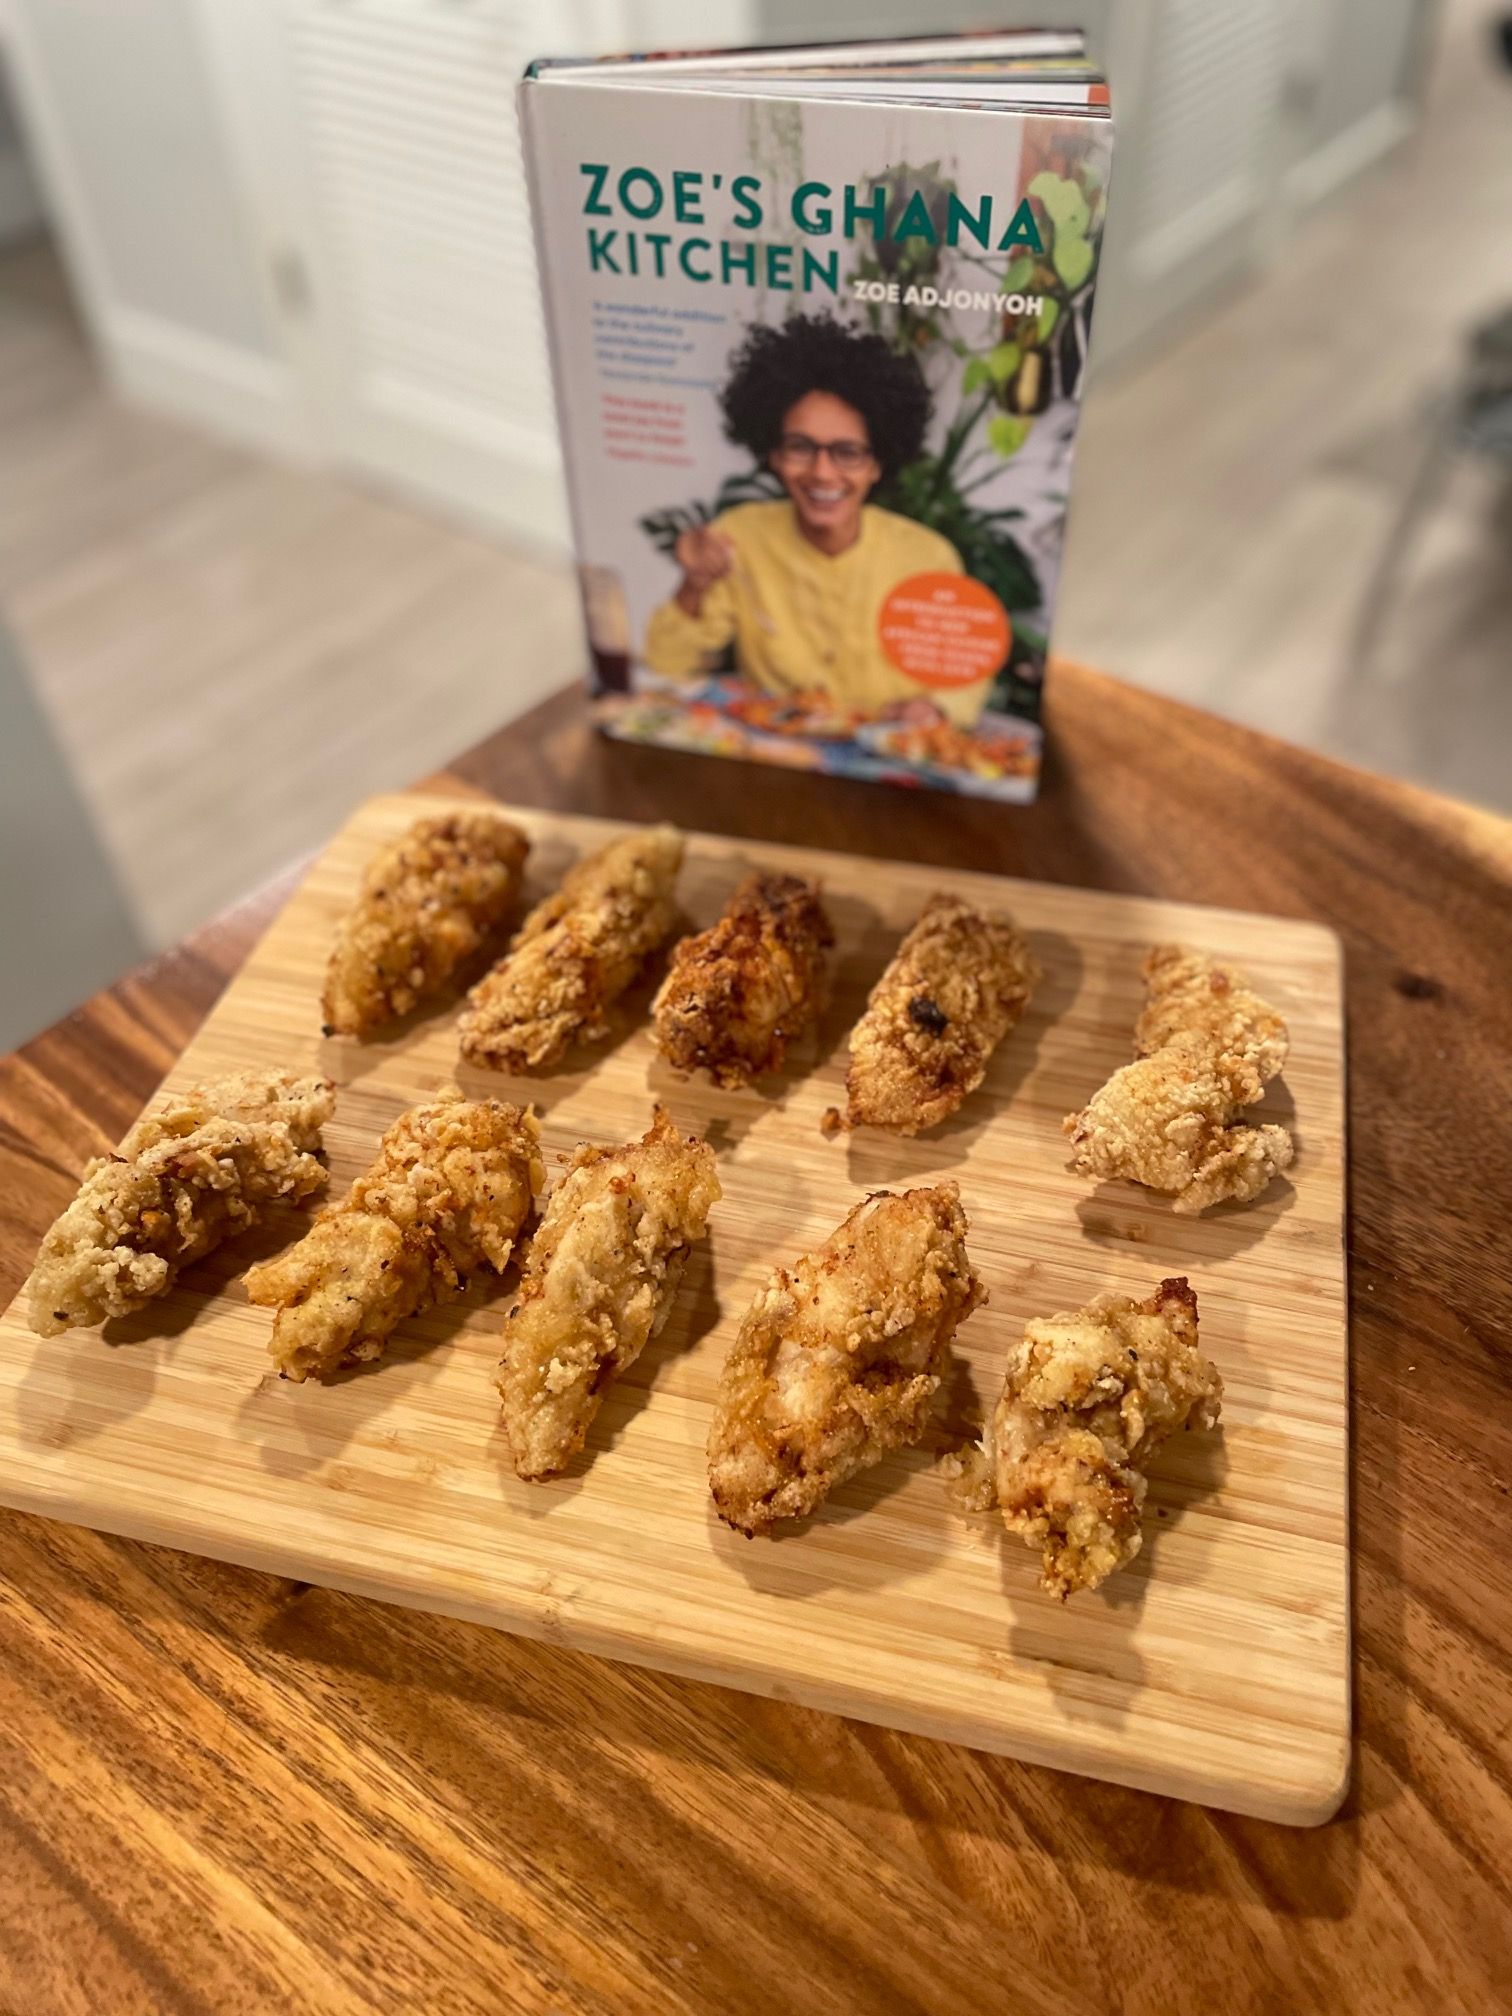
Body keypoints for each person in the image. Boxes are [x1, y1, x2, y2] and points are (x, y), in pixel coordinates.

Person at [643, 314, 988, 725]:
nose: (822, 473)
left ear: (877, 465)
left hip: (887, 764)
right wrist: (694, 584)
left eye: (847, 452)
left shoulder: (928, 557)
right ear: (772, 455)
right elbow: (667, 668)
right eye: (800, 447)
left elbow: (962, 674)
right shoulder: (739, 538)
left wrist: (933, 709)